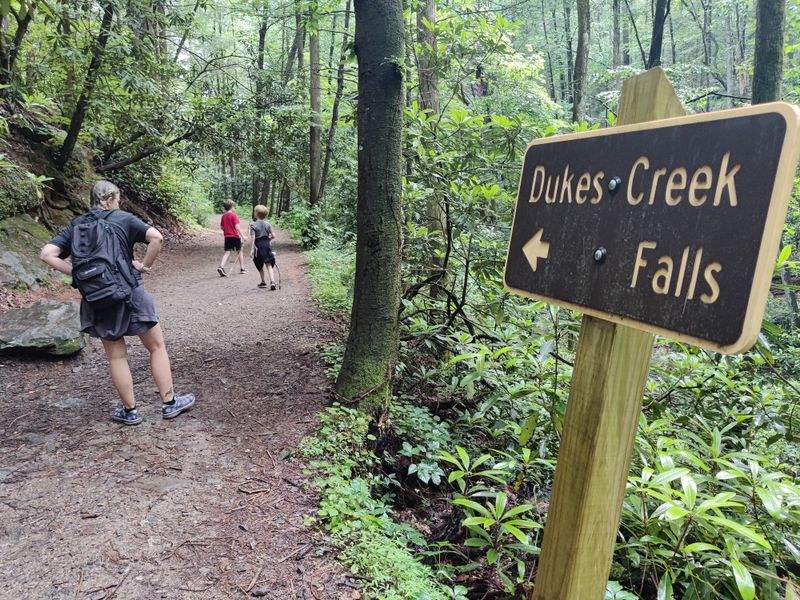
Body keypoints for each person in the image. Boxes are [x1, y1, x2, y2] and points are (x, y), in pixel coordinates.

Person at [40, 180, 195, 425]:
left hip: (97, 296)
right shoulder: (122, 218)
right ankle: (169, 403)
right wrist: (145, 267)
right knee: (156, 347)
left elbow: (47, 254)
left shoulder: (77, 224)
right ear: (111, 198)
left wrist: (77, 273)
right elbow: (157, 238)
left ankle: (130, 411)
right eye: (118, 199)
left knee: (116, 357)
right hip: (130, 290)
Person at [248, 204, 277, 290]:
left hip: (258, 247)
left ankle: (263, 282)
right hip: (267, 245)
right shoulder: (268, 224)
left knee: (259, 265)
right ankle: (272, 281)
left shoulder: (253, 225)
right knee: (268, 264)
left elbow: (252, 238)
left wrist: (251, 250)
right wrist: (268, 239)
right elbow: (274, 236)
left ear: (256, 213)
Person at [217, 199, 247, 277]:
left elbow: (222, 227)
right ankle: (242, 269)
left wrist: (226, 231)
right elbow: (237, 226)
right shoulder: (234, 215)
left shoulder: (223, 216)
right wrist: (243, 236)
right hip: (235, 236)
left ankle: (221, 266)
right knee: (239, 252)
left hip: (227, 237)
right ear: (232, 206)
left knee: (227, 252)